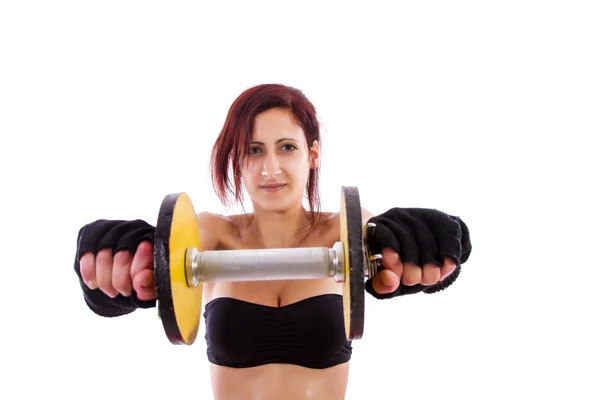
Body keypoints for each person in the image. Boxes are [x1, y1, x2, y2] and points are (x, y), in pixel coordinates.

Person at [74, 83, 472, 400]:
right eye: (253, 150)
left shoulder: (343, 232)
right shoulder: (211, 235)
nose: (270, 168)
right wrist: (116, 265)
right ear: (237, 160)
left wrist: (430, 243)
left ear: (312, 155)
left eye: (287, 147)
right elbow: (152, 255)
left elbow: (392, 240)